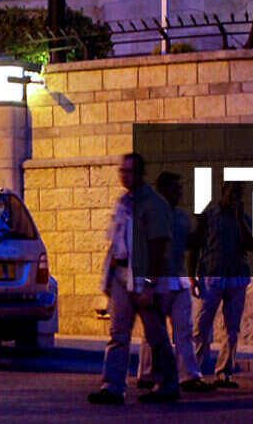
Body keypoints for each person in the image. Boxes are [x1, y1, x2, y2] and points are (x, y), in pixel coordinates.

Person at [89, 153, 181, 406]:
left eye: (130, 171)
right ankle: (112, 386)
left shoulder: (154, 204)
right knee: (118, 333)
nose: (125, 176)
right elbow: (116, 242)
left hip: (143, 276)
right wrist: (108, 277)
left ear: (140, 174)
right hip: (121, 275)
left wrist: (150, 286)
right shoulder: (123, 202)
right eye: (123, 170)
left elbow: (158, 248)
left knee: (156, 334)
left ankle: (168, 383)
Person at [137, 172, 212, 393]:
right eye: (175, 189)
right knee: (153, 331)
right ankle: (147, 373)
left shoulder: (181, 217)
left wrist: (202, 228)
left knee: (184, 329)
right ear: (163, 190)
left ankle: (189, 375)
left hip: (178, 280)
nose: (179, 193)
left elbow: (189, 243)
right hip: (158, 280)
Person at [190, 181, 253, 388]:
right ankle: (193, 371)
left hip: (236, 277)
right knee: (202, 325)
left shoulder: (244, 219)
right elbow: (195, 246)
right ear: (223, 192)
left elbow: (251, 245)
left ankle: (224, 372)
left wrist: (239, 219)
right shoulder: (208, 217)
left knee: (232, 328)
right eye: (232, 192)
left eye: (239, 193)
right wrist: (192, 276)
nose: (235, 196)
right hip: (212, 276)